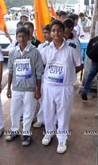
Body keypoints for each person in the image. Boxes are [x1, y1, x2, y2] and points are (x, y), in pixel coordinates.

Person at [40, 20, 82, 154]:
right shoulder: (45, 49)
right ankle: (49, 132)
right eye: (53, 30)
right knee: (48, 111)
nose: (56, 33)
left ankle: (62, 138)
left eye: (59, 30)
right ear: (50, 33)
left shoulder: (71, 48)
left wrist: (68, 75)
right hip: (49, 86)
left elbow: (78, 65)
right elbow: (43, 65)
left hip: (65, 87)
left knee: (63, 114)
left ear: (64, 32)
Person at [5, 27, 44, 146]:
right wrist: (8, 88)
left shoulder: (35, 52)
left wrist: (38, 90)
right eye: (19, 36)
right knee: (14, 110)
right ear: (16, 37)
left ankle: (26, 134)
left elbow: (39, 72)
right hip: (16, 87)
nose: (21, 39)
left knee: (28, 111)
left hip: (30, 88)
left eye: (24, 37)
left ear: (29, 38)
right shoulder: (13, 52)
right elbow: (11, 71)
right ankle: (14, 130)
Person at [34, 25, 52, 128]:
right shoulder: (41, 46)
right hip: (42, 75)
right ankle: (41, 119)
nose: (45, 35)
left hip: (53, 78)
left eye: (47, 32)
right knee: (42, 99)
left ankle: (54, 120)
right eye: (44, 32)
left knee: (52, 101)